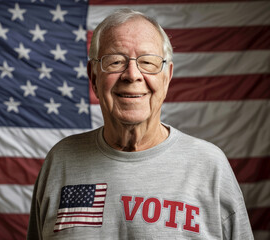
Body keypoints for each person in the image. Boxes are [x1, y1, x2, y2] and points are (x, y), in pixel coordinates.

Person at [27, 9, 253, 239]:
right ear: (94, 77)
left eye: (147, 62)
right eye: (115, 61)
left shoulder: (209, 166)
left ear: (166, 78)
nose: (132, 75)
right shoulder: (61, 161)